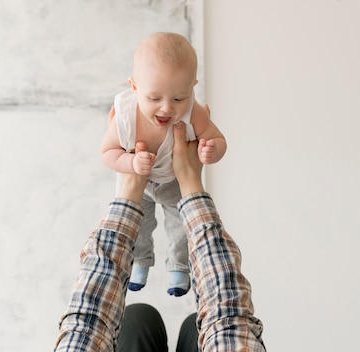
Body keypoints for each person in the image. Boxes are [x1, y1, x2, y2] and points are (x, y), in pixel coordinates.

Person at [55, 121, 265, 351]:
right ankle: (147, 264)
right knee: (175, 323)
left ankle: (176, 267)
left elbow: (87, 325)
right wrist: (190, 180)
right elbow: (231, 322)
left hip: (161, 185)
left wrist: (131, 185)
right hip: (170, 180)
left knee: (136, 319)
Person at [100, 32, 227, 296]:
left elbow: (217, 138)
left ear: (192, 87)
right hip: (139, 185)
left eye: (178, 98)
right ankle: (139, 263)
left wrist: (212, 149)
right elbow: (107, 153)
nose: (167, 108)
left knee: (181, 226)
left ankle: (180, 268)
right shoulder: (125, 115)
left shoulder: (194, 113)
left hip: (174, 182)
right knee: (138, 225)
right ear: (134, 87)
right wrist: (131, 161)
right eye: (154, 98)